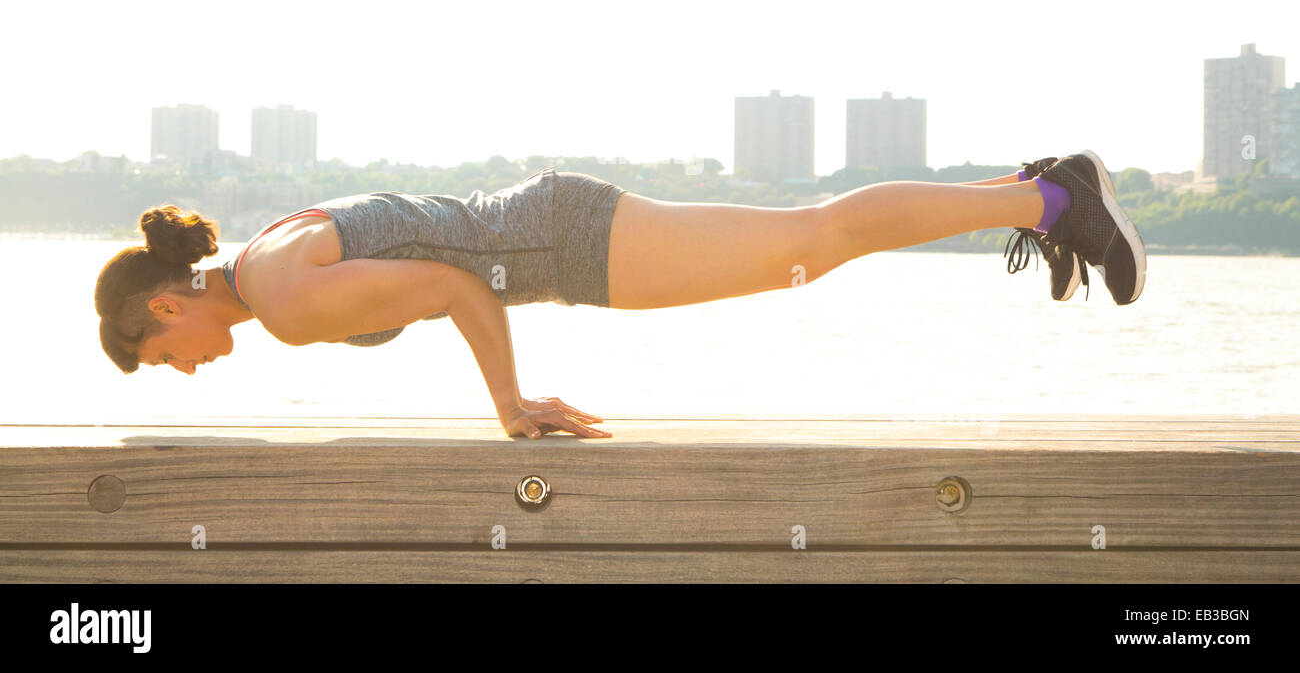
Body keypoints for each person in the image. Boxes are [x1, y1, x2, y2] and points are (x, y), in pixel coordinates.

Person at [94, 151, 1145, 439]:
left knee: (810, 244)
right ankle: (1034, 196)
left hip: (565, 242)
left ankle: (1051, 198)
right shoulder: (275, 250)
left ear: (165, 307)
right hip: (560, 234)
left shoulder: (279, 298)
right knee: (807, 245)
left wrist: (509, 404)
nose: (180, 367)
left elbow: (455, 282)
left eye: (161, 355)